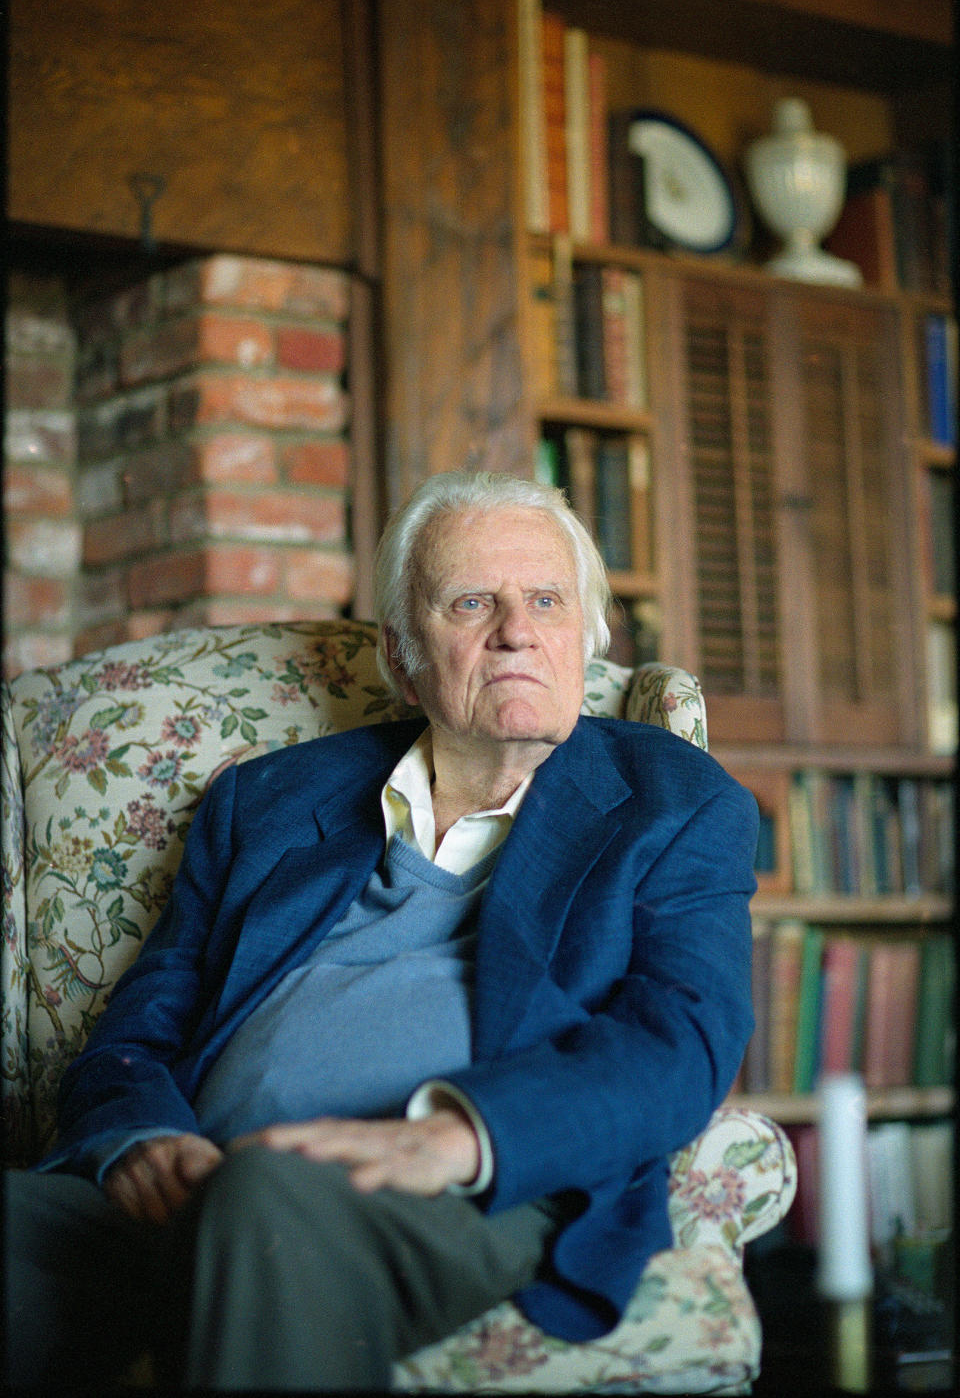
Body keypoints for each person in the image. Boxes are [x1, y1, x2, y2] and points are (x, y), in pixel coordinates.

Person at [4, 470, 758, 1390]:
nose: (516, 629)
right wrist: (142, 1141)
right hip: (188, 1184)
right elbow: (135, 1033)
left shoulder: (673, 800)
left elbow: (682, 1038)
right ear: (402, 656)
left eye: (547, 600)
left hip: (470, 1188)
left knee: (268, 1205)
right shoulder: (269, 802)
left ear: (586, 640)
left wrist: (454, 1133)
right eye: (472, 602)